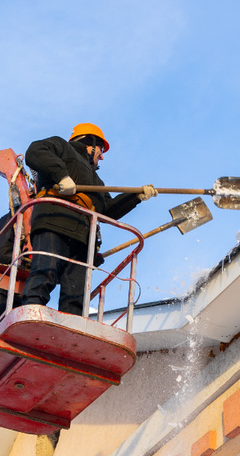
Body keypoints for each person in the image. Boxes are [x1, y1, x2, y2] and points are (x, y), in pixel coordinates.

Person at [20, 124, 156, 315]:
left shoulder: (96, 181)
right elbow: (35, 151)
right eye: (101, 149)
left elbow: (108, 211)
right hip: (54, 221)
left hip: (83, 237)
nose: (102, 156)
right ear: (89, 143)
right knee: (46, 271)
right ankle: (31, 313)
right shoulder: (62, 148)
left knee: (76, 291)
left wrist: (135, 196)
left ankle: (70, 326)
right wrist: (61, 176)